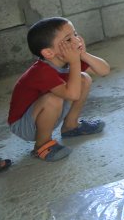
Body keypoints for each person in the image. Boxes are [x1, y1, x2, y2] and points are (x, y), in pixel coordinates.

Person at [7, 17, 110, 162]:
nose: (76, 40)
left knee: (84, 79)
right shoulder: (41, 71)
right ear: (49, 53)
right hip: (25, 125)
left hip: (48, 113)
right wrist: (75, 62)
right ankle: (42, 145)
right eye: (68, 39)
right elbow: (73, 95)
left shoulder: (66, 59)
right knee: (52, 99)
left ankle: (71, 126)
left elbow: (104, 70)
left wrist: (83, 54)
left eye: (75, 34)